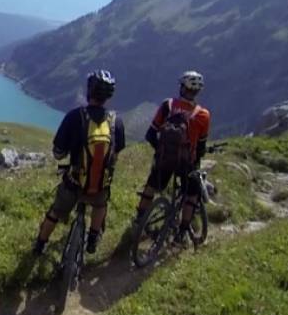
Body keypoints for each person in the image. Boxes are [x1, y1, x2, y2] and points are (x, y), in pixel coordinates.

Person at [33, 70, 127, 256]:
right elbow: (115, 154)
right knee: (100, 204)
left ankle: (39, 246)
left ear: (89, 90)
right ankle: (92, 239)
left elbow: (58, 153)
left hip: (74, 182)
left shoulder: (74, 116)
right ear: (109, 96)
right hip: (99, 185)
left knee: (55, 212)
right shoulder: (117, 122)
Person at [133, 70, 211, 241]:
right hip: (186, 164)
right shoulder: (203, 115)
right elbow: (200, 148)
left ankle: (140, 218)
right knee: (192, 193)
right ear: (197, 92)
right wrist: (195, 161)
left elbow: (150, 135)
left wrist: (161, 151)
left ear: (182, 87)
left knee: (151, 185)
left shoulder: (167, 105)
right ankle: (182, 232)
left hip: (165, 160)